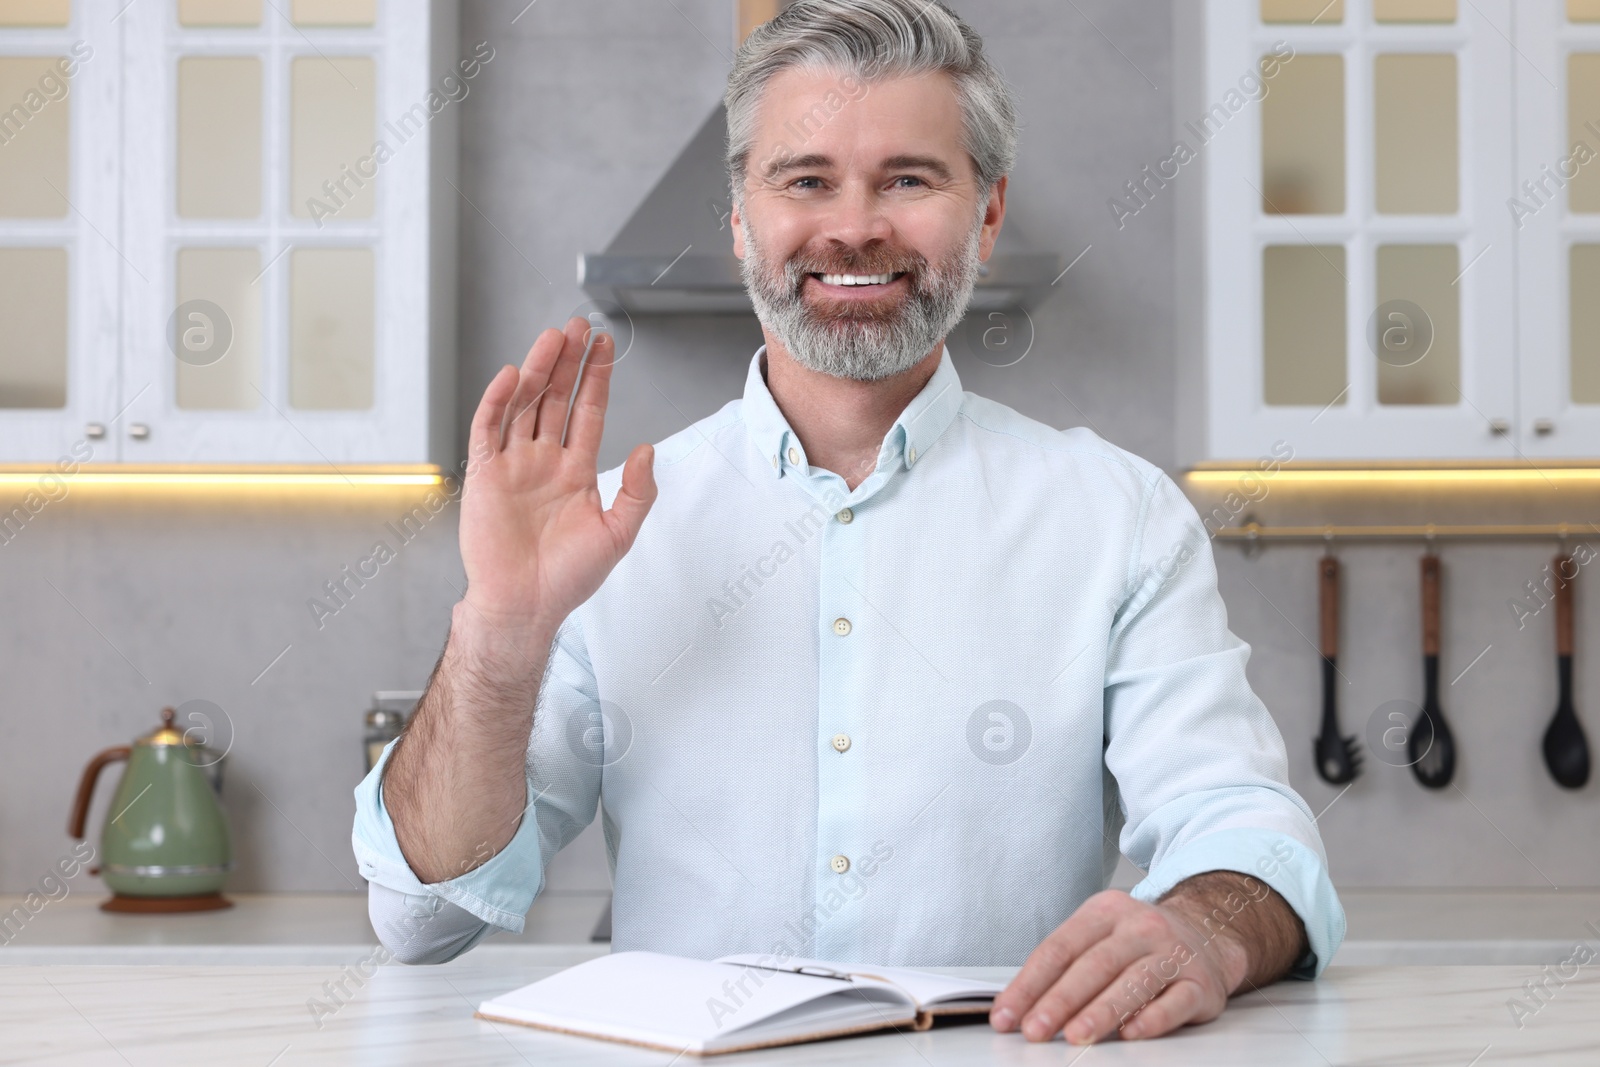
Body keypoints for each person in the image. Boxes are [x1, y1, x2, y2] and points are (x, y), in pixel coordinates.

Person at [353, 0, 1343, 1045]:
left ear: (987, 213)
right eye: (805, 179)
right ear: (740, 216)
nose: (855, 226)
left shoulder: (1116, 516)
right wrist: (501, 629)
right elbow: (422, 915)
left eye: (908, 179)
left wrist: (1202, 925)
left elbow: (1244, 832)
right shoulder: (603, 532)